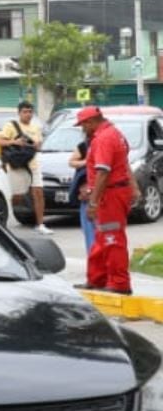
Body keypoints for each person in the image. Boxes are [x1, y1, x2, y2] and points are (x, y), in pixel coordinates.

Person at [78, 106, 135, 294]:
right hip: (111, 193)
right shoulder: (114, 134)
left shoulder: (103, 139)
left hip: (110, 195)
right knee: (102, 238)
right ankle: (97, 279)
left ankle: (120, 284)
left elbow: (104, 172)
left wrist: (93, 202)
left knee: (112, 239)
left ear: (91, 122)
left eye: (83, 125)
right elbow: (123, 163)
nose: (82, 129)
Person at [0, 101, 51, 234]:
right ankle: (4, 219)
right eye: (25, 112)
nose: (28, 114)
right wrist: (14, 141)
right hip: (18, 165)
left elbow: (38, 146)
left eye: (30, 112)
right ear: (19, 113)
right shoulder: (11, 126)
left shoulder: (36, 128)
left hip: (33, 163)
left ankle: (40, 224)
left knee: (38, 193)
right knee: (18, 196)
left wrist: (36, 145)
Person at [71, 125, 97, 252]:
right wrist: (86, 162)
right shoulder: (83, 146)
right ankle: (93, 258)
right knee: (89, 228)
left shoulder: (105, 144)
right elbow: (72, 161)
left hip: (100, 192)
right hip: (87, 192)